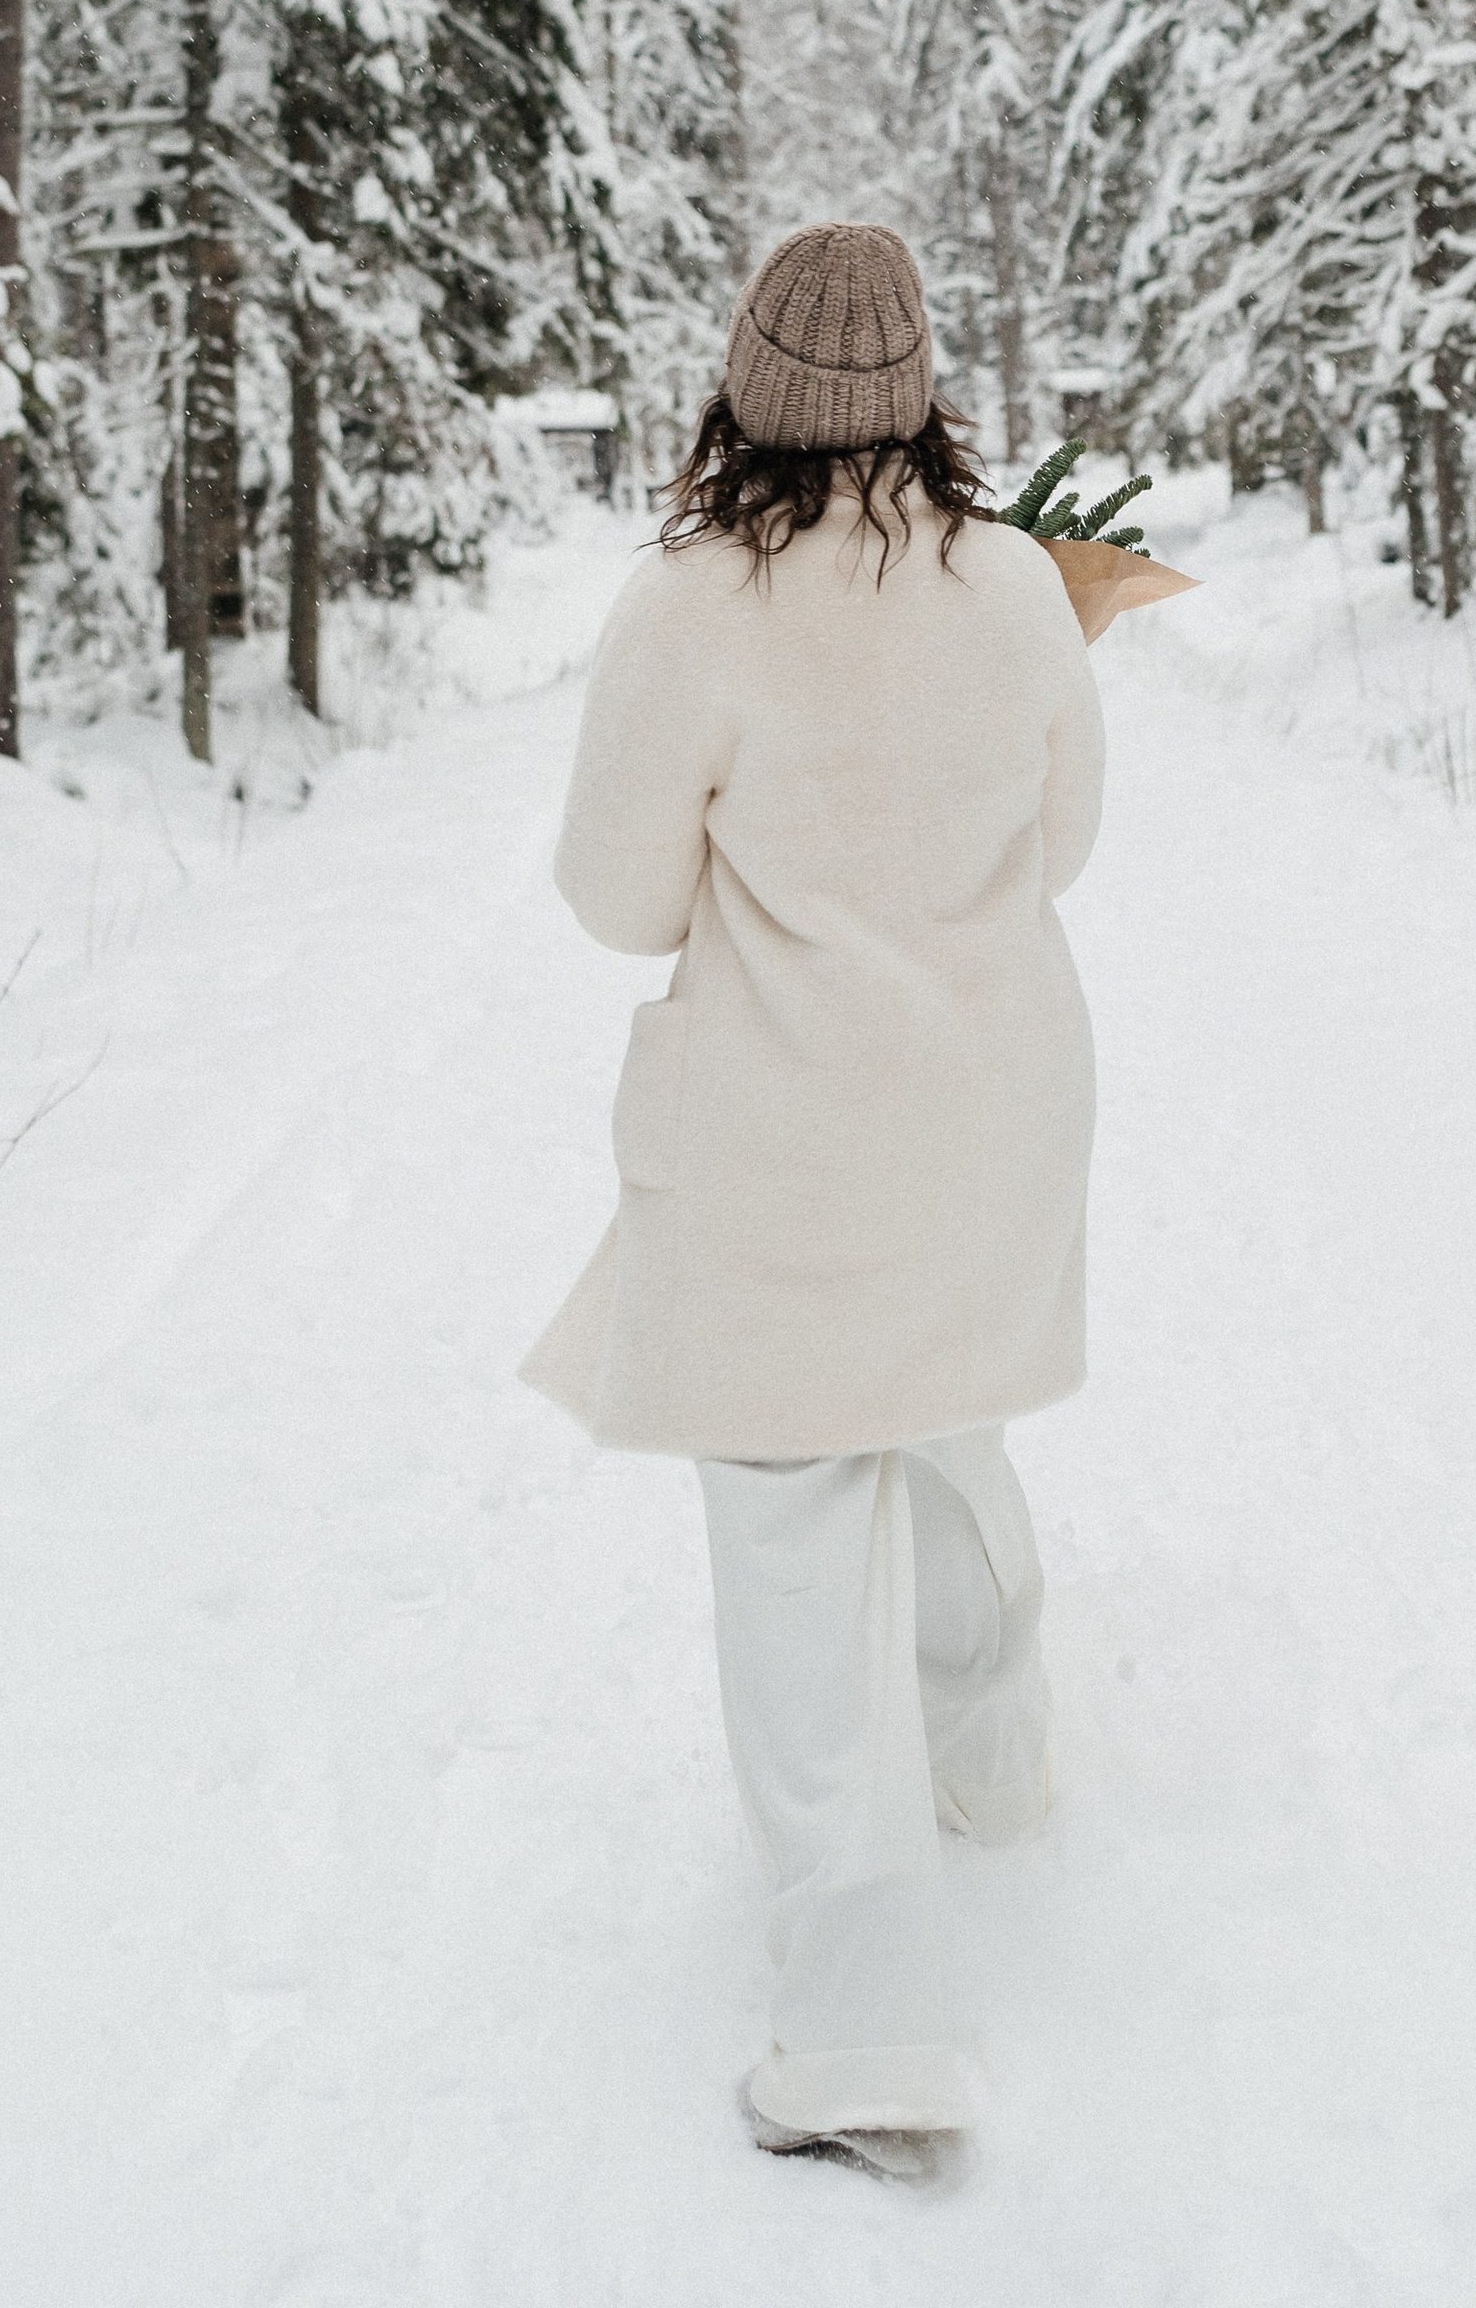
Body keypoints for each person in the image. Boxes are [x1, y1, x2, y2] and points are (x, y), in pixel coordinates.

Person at [523, 220, 1107, 2182]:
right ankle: (996, 1769)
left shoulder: (691, 602)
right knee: (942, 1422)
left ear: (745, 386)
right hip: (989, 1109)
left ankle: (864, 2039)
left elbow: (614, 897)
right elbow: (1065, 844)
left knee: (791, 1536)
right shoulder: (1019, 580)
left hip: (785, 1141)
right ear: (916, 390)